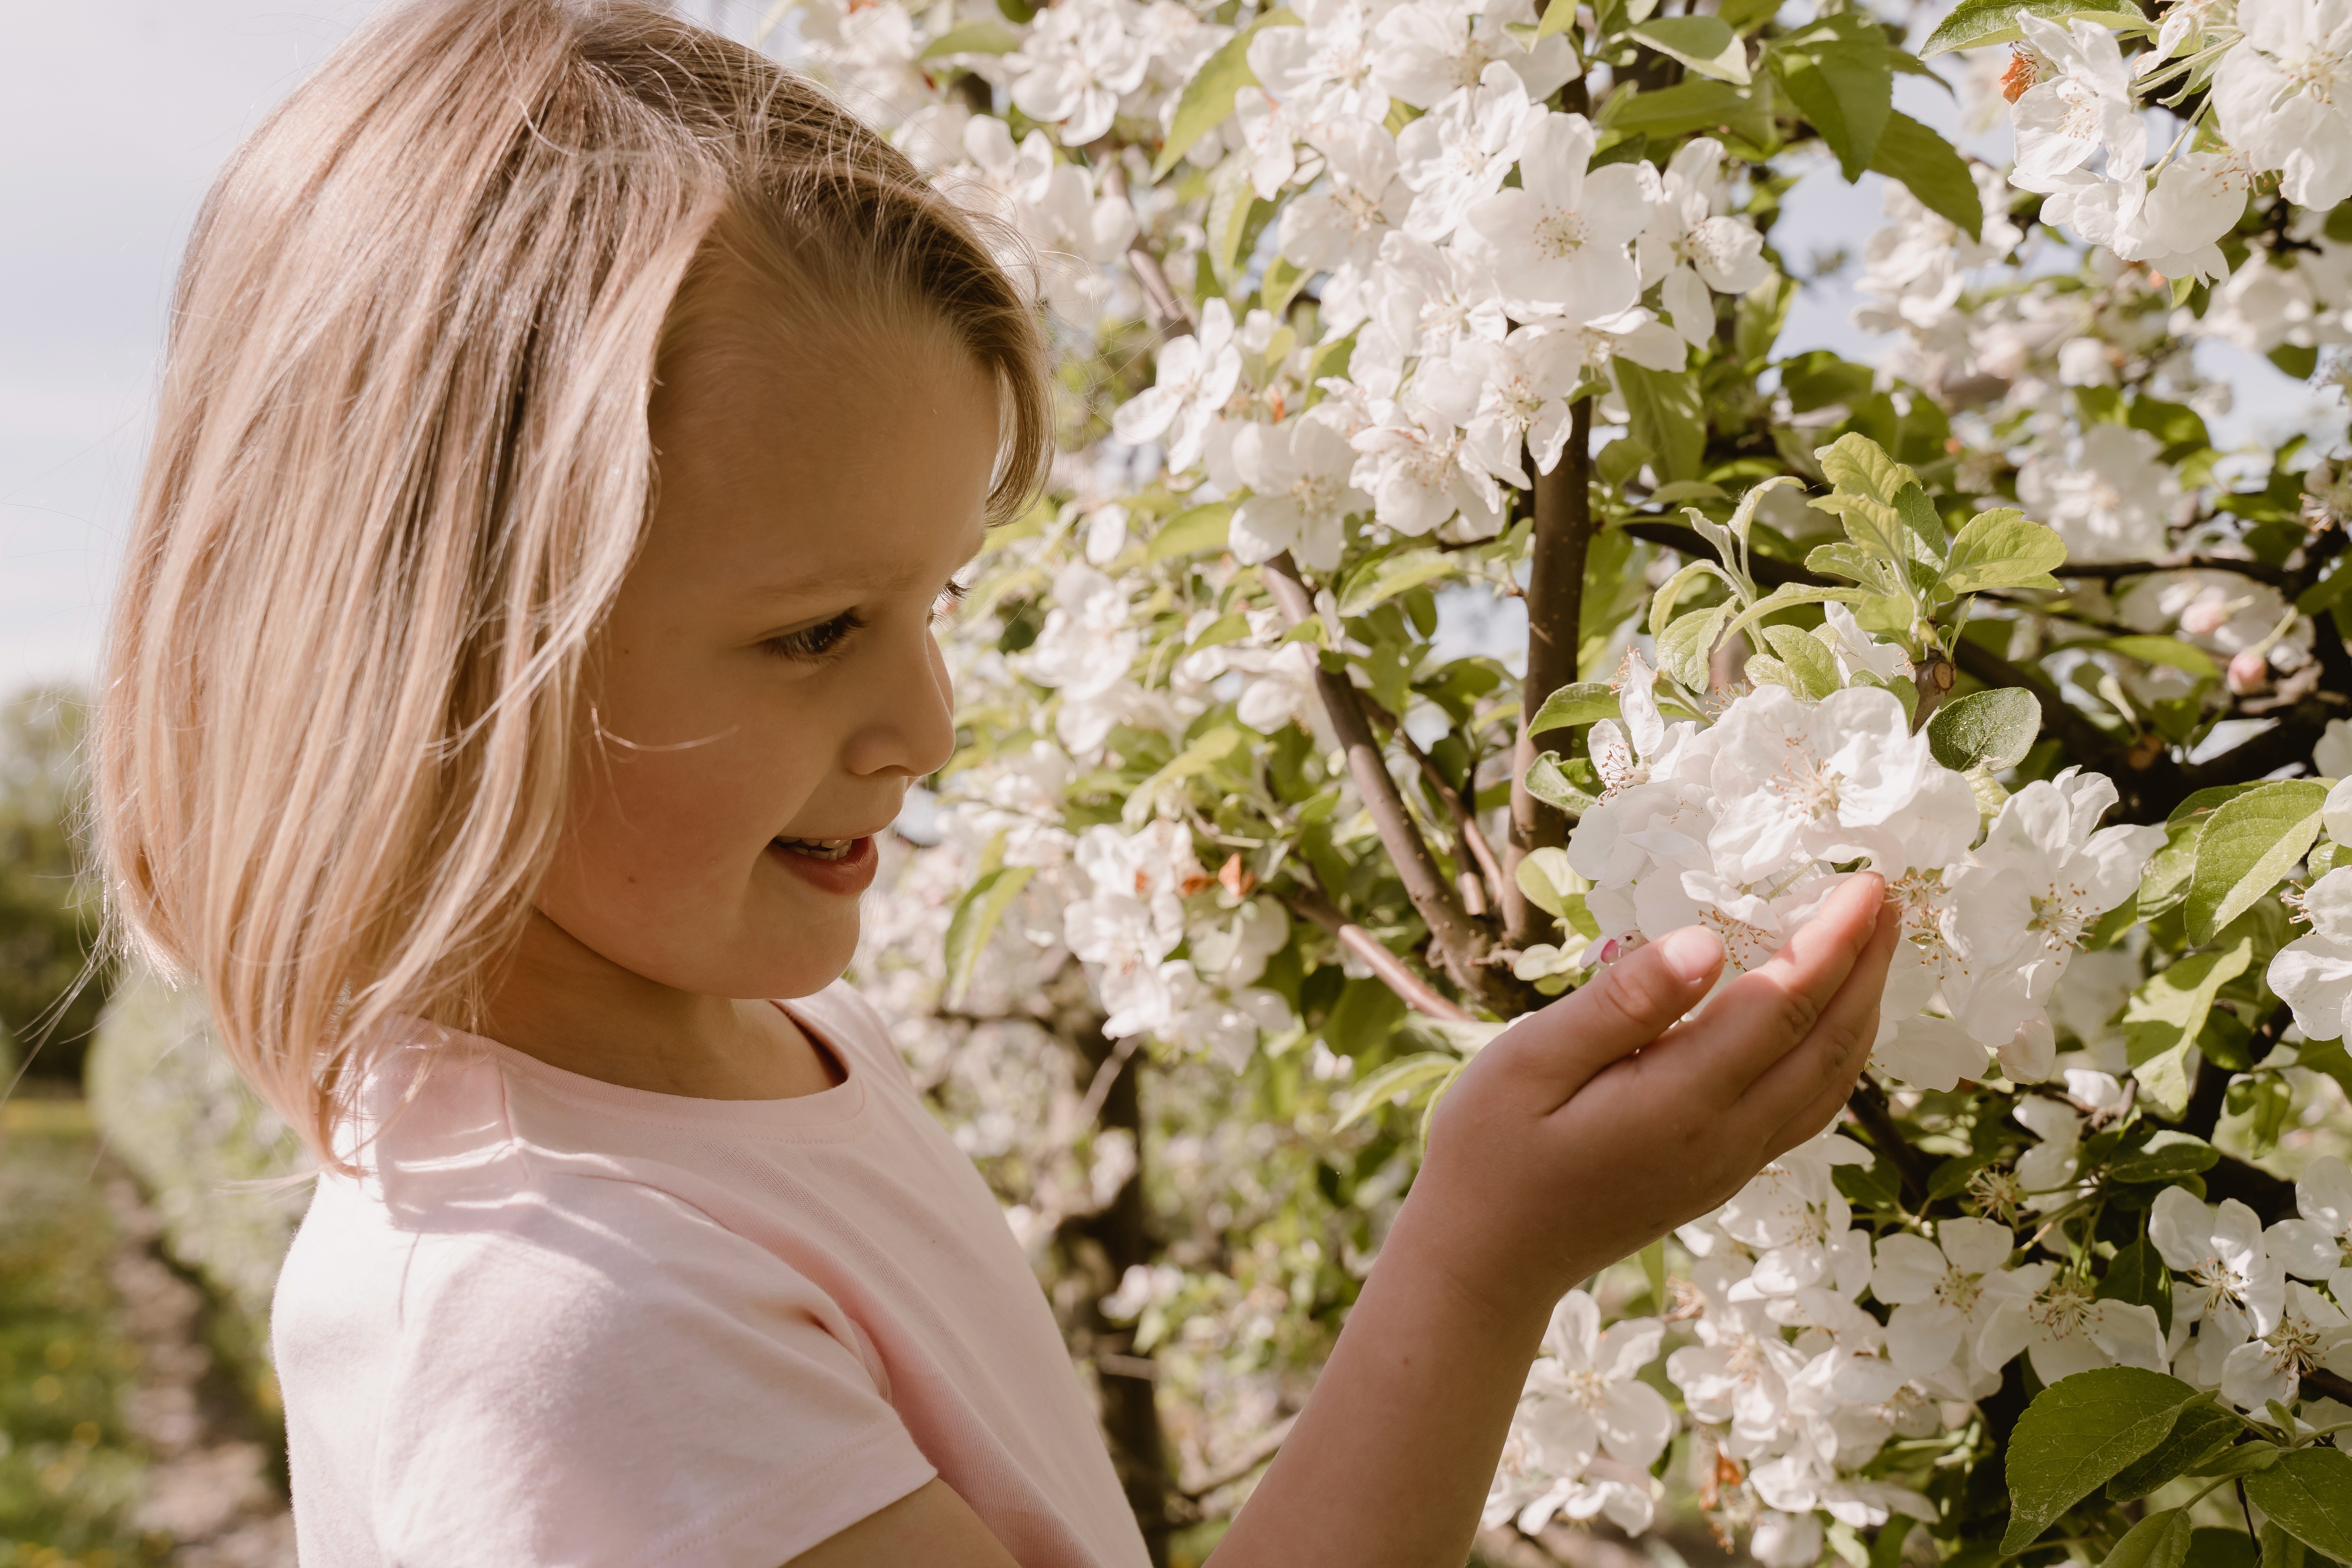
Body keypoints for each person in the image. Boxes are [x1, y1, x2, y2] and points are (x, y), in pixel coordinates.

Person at [92, 2, 1900, 1563]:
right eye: (815, 632)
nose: (931, 725)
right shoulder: (560, 1316)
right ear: (440, 661)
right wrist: (1481, 1260)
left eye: (935, 599)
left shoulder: (772, 1054)